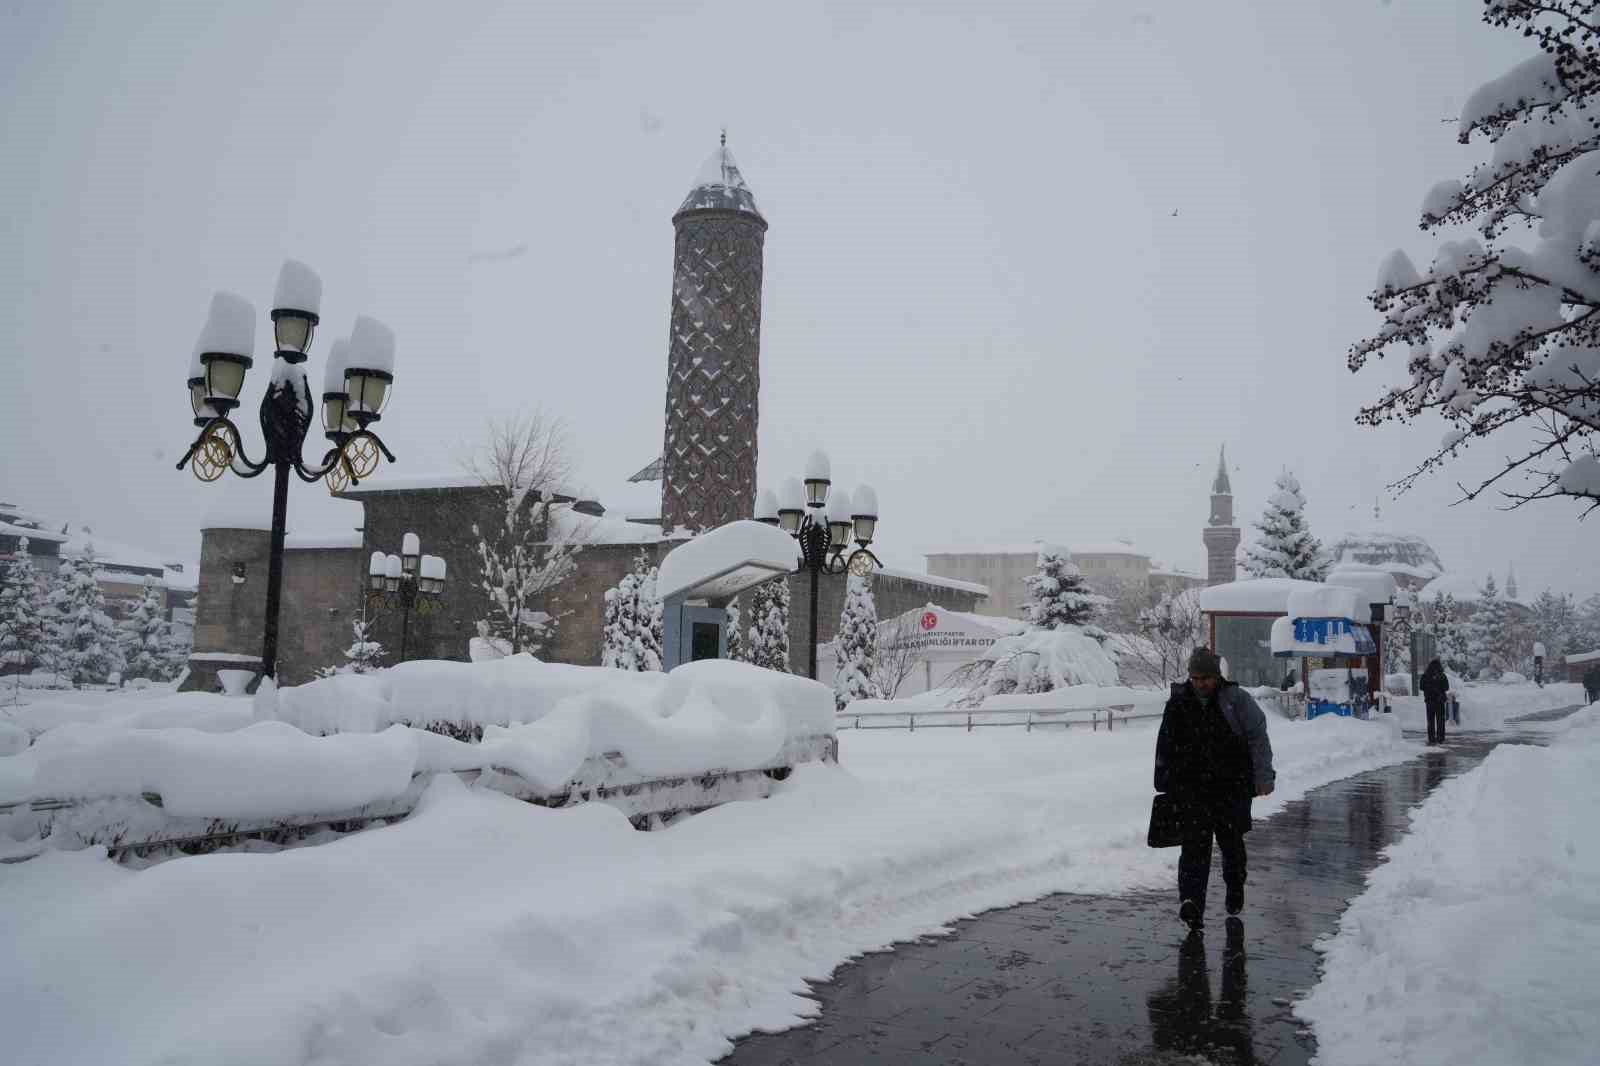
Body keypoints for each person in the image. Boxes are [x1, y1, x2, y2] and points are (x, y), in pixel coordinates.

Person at [1153, 647, 1276, 931]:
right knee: (1194, 848)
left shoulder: (1236, 700)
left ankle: (1235, 886)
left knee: (1231, 846)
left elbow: (1258, 738)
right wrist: (1164, 780)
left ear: (1216, 676)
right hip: (1192, 790)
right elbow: (1165, 745)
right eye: (1195, 678)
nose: (1200, 684)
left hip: (1231, 788)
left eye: (1205, 678)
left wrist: (1263, 776)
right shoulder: (1179, 702)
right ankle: (1191, 903)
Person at [1420, 658, 1449, 745]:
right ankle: (1441, 738)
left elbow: (1421, 687)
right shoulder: (1442, 675)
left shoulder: (1425, 675)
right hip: (1440, 701)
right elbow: (1447, 687)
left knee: (1430, 720)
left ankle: (1431, 738)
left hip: (1429, 701)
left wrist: (1429, 688)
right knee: (1440, 720)